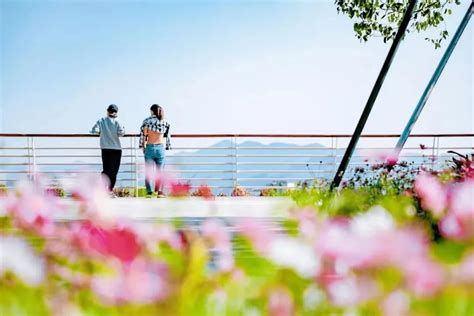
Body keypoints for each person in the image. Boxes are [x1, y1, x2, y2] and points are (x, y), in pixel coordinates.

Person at [90, 104, 125, 193]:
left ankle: (102, 188)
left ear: (107, 111)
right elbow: (121, 133)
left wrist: (102, 132)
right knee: (114, 170)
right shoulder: (118, 121)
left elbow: (94, 131)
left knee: (106, 169)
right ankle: (109, 190)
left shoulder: (101, 120)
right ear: (116, 112)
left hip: (105, 148)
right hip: (116, 149)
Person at [139, 104, 171, 198]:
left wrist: (143, 146)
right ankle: (160, 192)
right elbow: (167, 135)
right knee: (160, 172)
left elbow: (144, 135)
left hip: (149, 147)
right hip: (160, 148)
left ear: (152, 111)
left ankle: (149, 192)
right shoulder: (164, 122)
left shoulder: (146, 121)